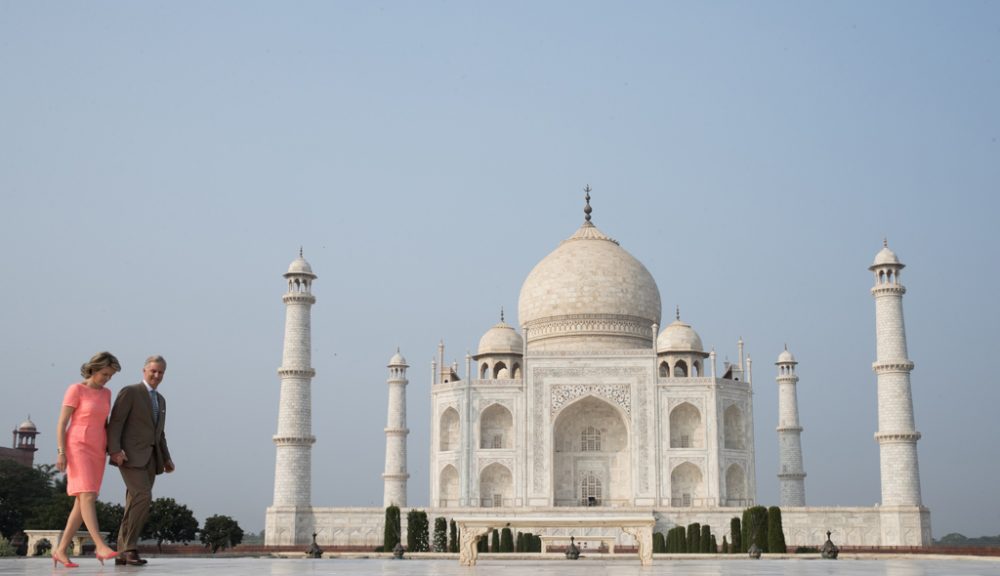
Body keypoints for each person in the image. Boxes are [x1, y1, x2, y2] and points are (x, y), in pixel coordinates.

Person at [52, 351, 122, 568]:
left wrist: (114, 449)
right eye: (104, 374)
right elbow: (62, 423)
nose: (107, 378)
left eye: (110, 375)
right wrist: (61, 452)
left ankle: (60, 550)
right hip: (77, 446)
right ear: (93, 369)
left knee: (81, 502)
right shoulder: (76, 389)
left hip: (97, 448)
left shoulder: (107, 393)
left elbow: (106, 423)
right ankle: (100, 545)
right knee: (88, 495)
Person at [107, 355, 174, 566]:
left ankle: (120, 551)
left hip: (151, 458)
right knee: (143, 496)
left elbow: (159, 433)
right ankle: (129, 548)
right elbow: (115, 422)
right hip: (129, 456)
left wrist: (166, 458)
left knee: (134, 502)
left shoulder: (161, 400)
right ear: (144, 371)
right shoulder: (131, 392)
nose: (157, 375)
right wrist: (115, 450)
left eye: (160, 372)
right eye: (153, 371)